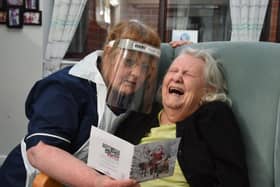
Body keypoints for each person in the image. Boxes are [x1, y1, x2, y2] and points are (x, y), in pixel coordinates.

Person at [0, 20, 161, 187]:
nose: (136, 73)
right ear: (109, 54)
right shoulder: (64, 88)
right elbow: (39, 151)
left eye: (144, 66)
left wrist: (182, 51)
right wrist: (98, 182)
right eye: (129, 62)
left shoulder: (136, 101)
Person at [115, 48, 250, 187]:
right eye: (173, 71)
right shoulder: (140, 116)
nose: (177, 77)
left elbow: (235, 181)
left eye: (188, 74)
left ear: (208, 90)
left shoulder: (214, 116)